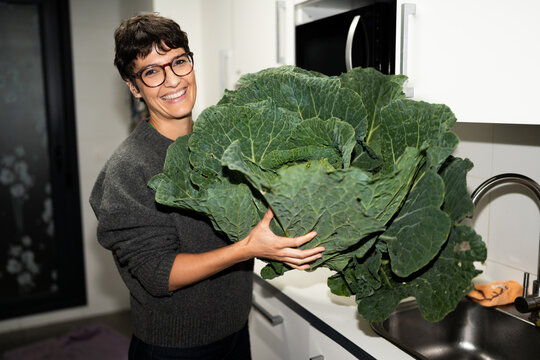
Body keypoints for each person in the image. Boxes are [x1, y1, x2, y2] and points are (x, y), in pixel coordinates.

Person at [89, 13, 325, 360]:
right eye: (152, 71)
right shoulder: (128, 169)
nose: (173, 81)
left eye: (179, 62)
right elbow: (159, 273)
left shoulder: (219, 142)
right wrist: (247, 248)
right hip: (174, 349)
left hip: (233, 331)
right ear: (133, 86)